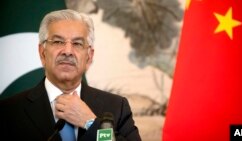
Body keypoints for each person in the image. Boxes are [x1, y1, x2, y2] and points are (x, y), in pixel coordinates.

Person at [0, 9, 141, 141]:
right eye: (58, 42)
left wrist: (91, 123)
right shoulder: (8, 112)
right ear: (42, 53)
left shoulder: (116, 106)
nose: (67, 51)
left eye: (77, 43)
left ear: (89, 57)